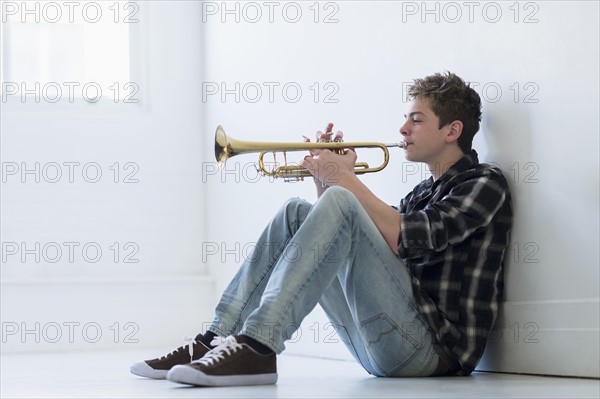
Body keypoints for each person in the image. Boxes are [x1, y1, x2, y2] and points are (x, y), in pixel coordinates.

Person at [130, 71, 513, 386]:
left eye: (416, 119)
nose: (402, 128)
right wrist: (326, 181)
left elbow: (405, 237)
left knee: (343, 202)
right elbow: (349, 241)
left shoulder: (484, 183)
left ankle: (258, 347)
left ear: (452, 131)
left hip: (431, 353)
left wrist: (343, 180)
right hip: (381, 343)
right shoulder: (420, 193)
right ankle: (212, 340)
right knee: (298, 212)